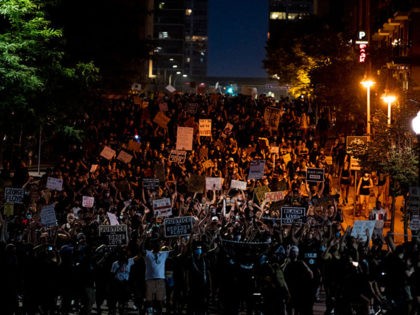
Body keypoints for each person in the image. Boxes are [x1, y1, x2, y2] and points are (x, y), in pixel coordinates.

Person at [143, 239, 172, 315]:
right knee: (149, 300)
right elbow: (141, 251)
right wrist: (143, 241)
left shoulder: (164, 254)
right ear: (153, 246)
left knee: (159, 300)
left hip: (160, 280)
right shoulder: (148, 253)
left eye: (159, 244)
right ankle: (148, 312)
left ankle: (159, 313)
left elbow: (176, 252)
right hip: (150, 280)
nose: (159, 246)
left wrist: (171, 241)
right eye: (157, 244)